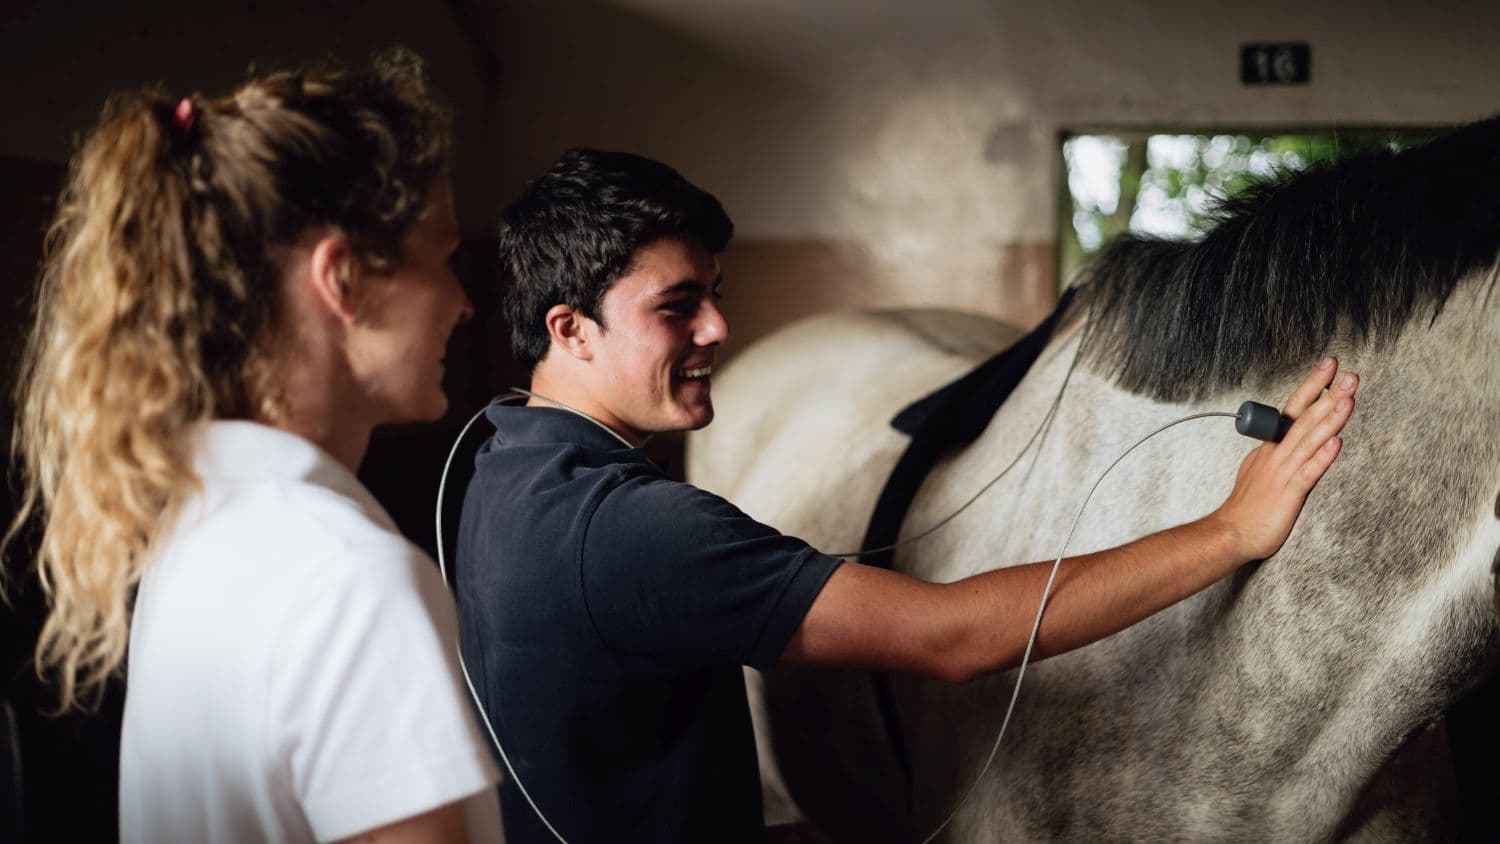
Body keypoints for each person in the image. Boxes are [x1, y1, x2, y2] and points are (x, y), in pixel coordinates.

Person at [455, 149, 1359, 843]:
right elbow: (954, 637)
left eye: (716, 295)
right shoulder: (635, 528)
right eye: (677, 306)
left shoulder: (498, 457)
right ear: (568, 329)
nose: (720, 327)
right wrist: (1231, 529)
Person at [5, 52, 504, 842]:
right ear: (342, 280)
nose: (465, 302)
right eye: (442, 259)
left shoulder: (197, 534)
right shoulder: (352, 583)